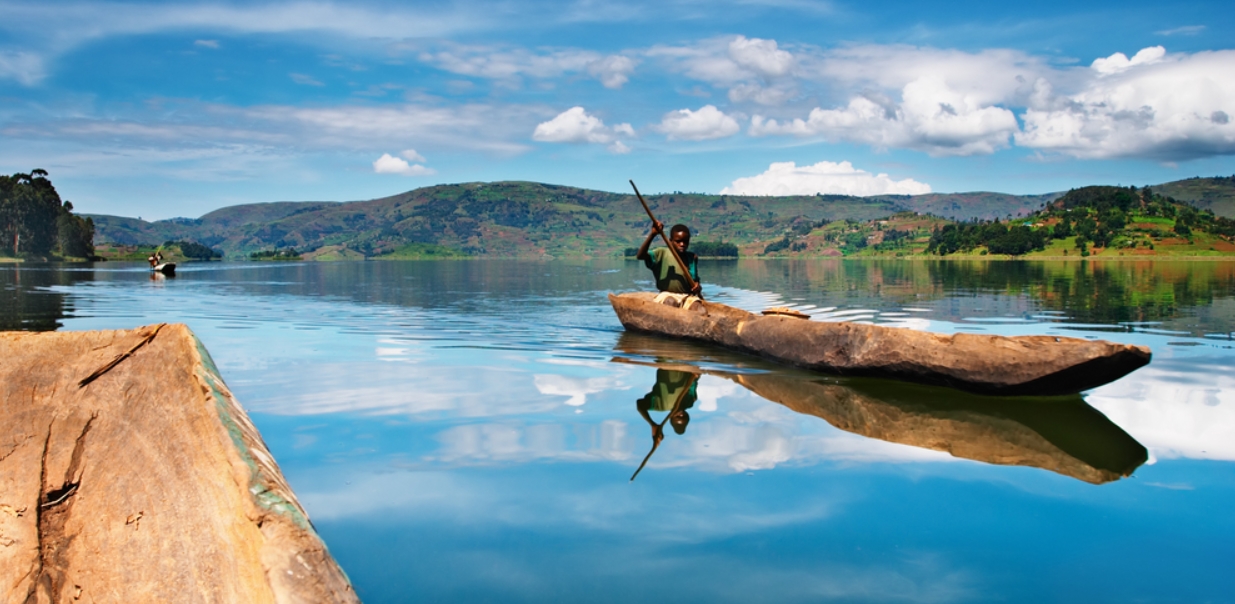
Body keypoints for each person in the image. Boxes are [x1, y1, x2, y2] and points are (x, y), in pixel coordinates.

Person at [635, 219, 701, 297]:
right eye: (678, 241)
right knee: (670, 302)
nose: (682, 244)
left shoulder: (692, 257)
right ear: (670, 241)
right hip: (666, 295)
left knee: (698, 308)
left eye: (685, 241)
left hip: (687, 296)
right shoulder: (661, 253)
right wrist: (652, 234)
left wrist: (698, 286)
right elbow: (640, 256)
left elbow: (695, 281)